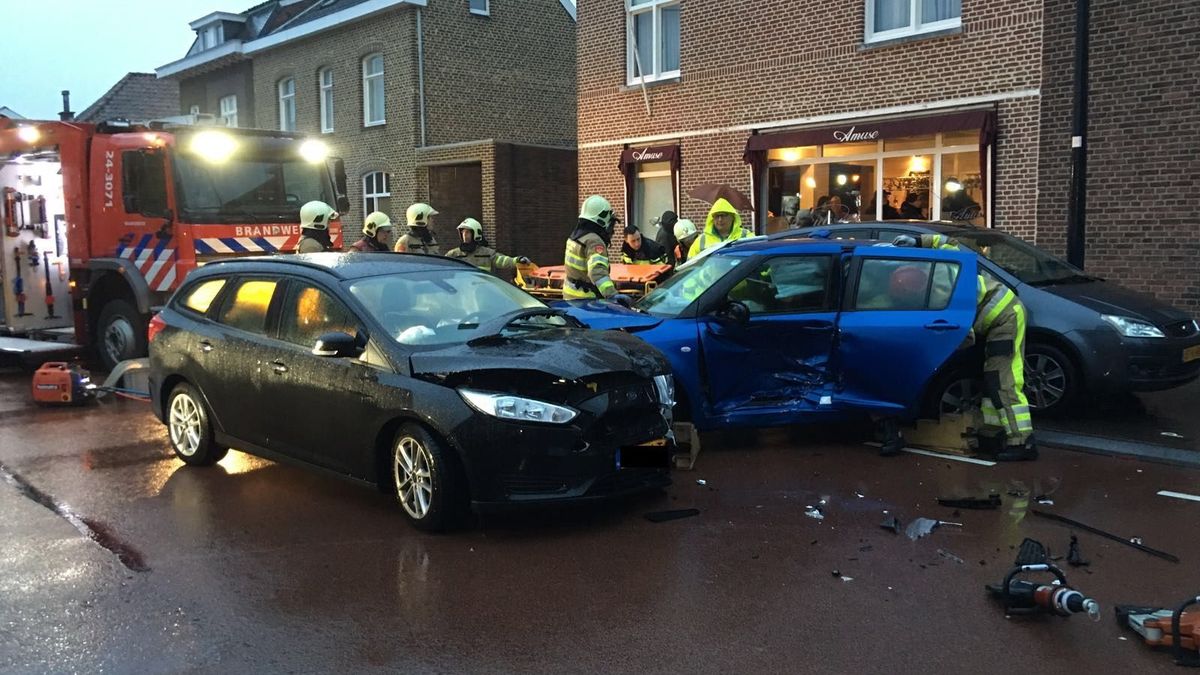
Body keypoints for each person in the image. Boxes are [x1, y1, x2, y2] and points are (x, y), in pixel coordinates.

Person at [894, 232, 1037, 461]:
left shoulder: (940, 299)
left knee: (1002, 380)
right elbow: (949, 242)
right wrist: (919, 240)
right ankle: (992, 436)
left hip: (1005, 317)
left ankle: (1023, 442)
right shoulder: (939, 267)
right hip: (994, 314)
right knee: (990, 379)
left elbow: (965, 337)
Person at [563, 195, 631, 306]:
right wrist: (612, 295)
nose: (612, 230)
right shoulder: (594, 241)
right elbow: (597, 272)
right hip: (587, 300)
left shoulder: (576, 236)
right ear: (601, 219)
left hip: (570, 296)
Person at [445, 217, 530, 275]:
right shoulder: (453, 254)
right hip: (462, 291)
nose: (464, 235)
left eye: (467, 232)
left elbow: (502, 260)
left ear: (476, 233)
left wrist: (517, 260)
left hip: (482, 290)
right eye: (462, 232)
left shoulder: (486, 253)